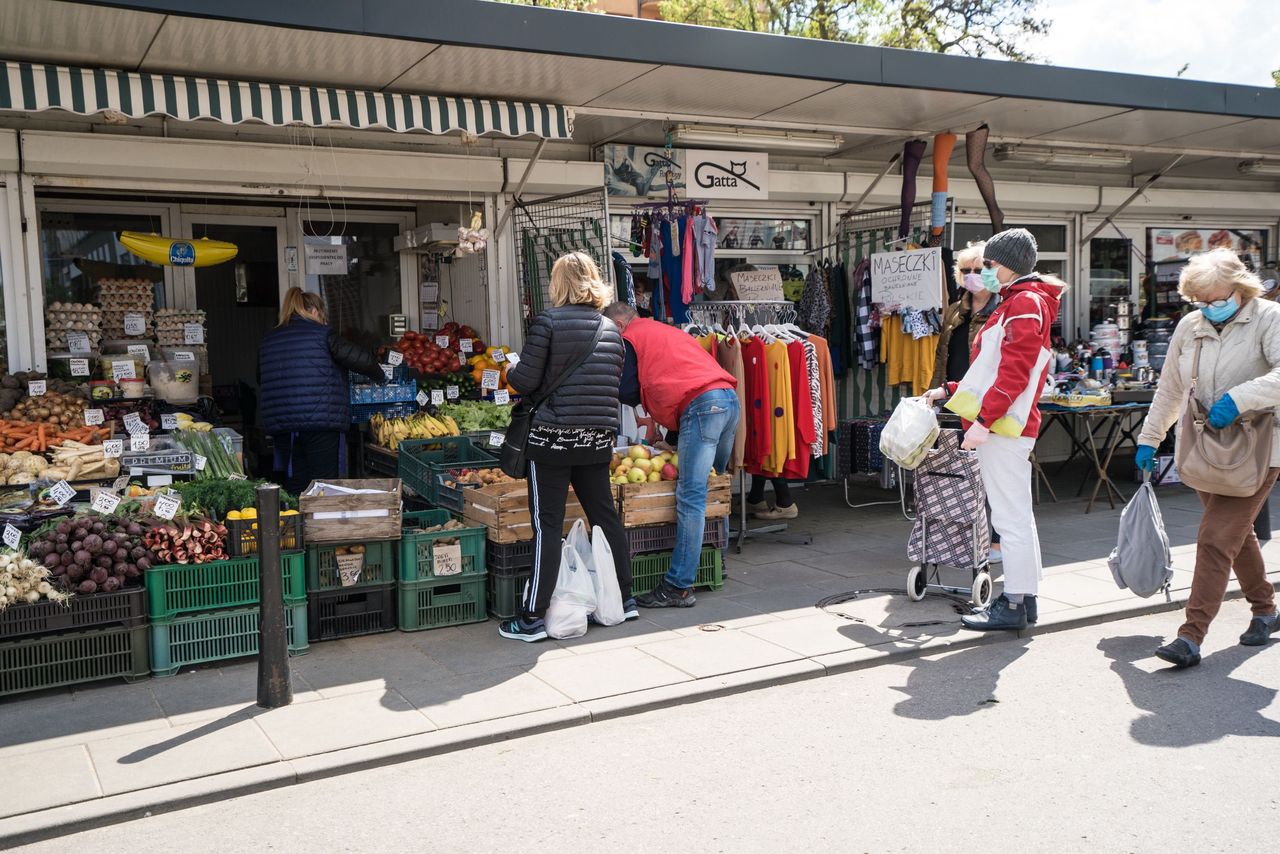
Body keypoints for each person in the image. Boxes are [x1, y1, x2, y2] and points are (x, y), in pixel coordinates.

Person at [1134, 248, 1280, 669]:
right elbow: (1170, 389)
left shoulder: (1268, 318)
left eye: (1216, 298)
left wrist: (1238, 399)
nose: (1209, 308)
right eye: (1200, 301)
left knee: (1215, 538)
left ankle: (1191, 635)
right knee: (1235, 535)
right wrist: (1150, 438)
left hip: (1259, 447)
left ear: (1240, 288)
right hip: (1205, 448)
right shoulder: (1190, 325)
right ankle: (1266, 608)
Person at [925, 228, 1065, 632]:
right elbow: (996, 368)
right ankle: (1026, 598)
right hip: (1008, 423)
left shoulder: (1022, 304)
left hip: (1003, 425)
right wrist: (951, 390)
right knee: (1016, 515)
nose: (983, 271)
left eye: (987, 264)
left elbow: (1013, 372)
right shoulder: (1025, 301)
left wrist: (983, 421)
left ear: (1003, 264)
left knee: (1009, 518)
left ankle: (1014, 604)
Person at [499, 253, 634, 642]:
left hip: (552, 439)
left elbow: (524, 381)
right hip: (597, 437)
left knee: (547, 524)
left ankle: (532, 617)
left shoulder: (547, 323)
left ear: (558, 283)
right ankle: (625, 599)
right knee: (604, 517)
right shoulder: (612, 328)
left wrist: (509, 370)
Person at [602, 301, 740, 608]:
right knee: (715, 491)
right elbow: (683, 377)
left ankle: (678, 586)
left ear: (620, 325)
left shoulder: (630, 338)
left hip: (702, 407)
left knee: (692, 496)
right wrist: (674, 438)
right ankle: (716, 560)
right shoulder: (663, 331)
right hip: (728, 401)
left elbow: (625, 389)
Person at [258, 287, 383, 495]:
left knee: (296, 483)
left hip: (284, 427)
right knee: (323, 485)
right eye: (322, 312)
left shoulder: (269, 339)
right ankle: (321, 526)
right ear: (314, 311)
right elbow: (364, 361)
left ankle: (297, 525)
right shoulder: (324, 334)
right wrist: (381, 376)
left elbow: (261, 378)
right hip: (321, 423)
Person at [930, 240, 1003, 562]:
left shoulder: (1002, 310)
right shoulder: (956, 309)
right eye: (965, 270)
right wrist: (935, 393)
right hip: (955, 398)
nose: (972, 276)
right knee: (961, 470)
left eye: (979, 269)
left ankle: (998, 541)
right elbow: (942, 356)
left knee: (992, 473)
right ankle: (966, 532)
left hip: (987, 400)